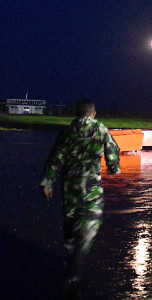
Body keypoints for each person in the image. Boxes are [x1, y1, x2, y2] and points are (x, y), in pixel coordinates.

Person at [40, 99, 121, 291]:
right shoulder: (100, 129)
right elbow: (113, 150)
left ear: (77, 113)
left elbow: (56, 156)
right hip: (91, 186)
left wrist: (47, 181)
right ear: (93, 113)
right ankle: (75, 266)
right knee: (91, 223)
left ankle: (70, 252)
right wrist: (113, 167)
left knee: (71, 220)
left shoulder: (68, 131)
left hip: (69, 185)